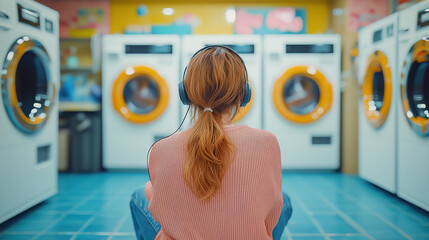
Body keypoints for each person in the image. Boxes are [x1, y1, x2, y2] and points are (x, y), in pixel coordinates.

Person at [130, 46, 292, 240]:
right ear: (244, 94)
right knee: (285, 200)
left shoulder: (161, 148)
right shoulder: (268, 142)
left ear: (186, 93)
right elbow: (272, 211)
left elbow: (160, 207)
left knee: (140, 194)